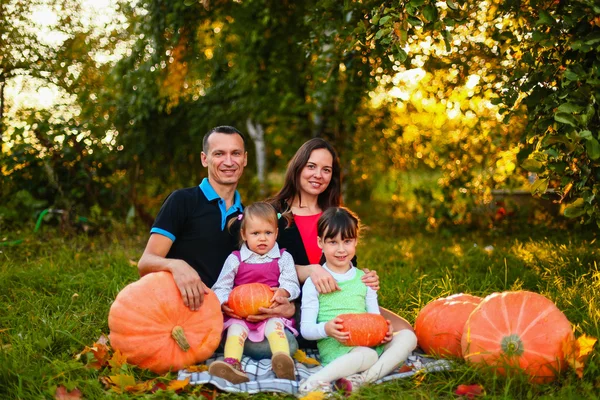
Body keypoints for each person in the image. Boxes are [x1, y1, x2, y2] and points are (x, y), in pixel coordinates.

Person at [137, 126, 296, 358]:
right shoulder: (182, 200)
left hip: (227, 316)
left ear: (245, 159)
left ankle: (223, 352)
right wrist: (176, 265)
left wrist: (285, 306)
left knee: (285, 345)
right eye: (219, 153)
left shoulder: (248, 221)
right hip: (179, 312)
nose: (228, 161)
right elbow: (145, 263)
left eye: (236, 153)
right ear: (205, 159)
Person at [265, 138, 412, 342]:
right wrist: (310, 270)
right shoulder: (274, 215)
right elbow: (262, 264)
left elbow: (348, 261)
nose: (318, 175)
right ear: (297, 168)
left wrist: (364, 277)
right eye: (311, 166)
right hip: (299, 304)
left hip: (343, 298)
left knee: (406, 331)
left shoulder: (334, 215)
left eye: (326, 170)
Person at [299, 207, 417, 395]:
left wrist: (384, 332)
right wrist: (327, 329)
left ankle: (364, 379)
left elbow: (374, 318)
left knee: (408, 337)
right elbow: (306, 330)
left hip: (370, 342)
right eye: (333, 242)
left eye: (347, 241)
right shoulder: (315, 282)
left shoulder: (364, 279)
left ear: (355, 241)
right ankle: (315, 380)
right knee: (368, 355)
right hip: (338, 348)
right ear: (320, 242)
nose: (341, 249)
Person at [209, 202, 301, 383]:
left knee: (276, 329)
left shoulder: (283, 257)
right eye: (255, 233)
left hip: (270, 312)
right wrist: (224, 302)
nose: (262, 238)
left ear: (276, 233)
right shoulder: (235, 259)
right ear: (244, 234)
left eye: (268, 233)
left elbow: (292, 283)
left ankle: (282, 361)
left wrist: (284, 291)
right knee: (235, 332)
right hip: (241, 314)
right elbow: (221, 286)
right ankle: (232, 365)